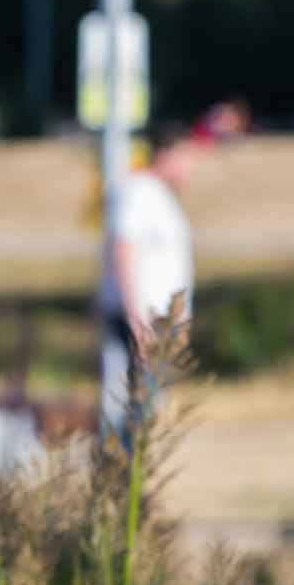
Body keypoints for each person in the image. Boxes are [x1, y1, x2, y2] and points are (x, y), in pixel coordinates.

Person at [96, 114, 202, 447]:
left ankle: (134, 487)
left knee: (147, 414)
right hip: (141, 325)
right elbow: (122, 252)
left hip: (157, 325)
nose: (191, 168)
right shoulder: (139, 191)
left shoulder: (160, 196)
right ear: (167, 154)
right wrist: (136, 320)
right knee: (130, 415)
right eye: (186, 156)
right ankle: (124, 487)